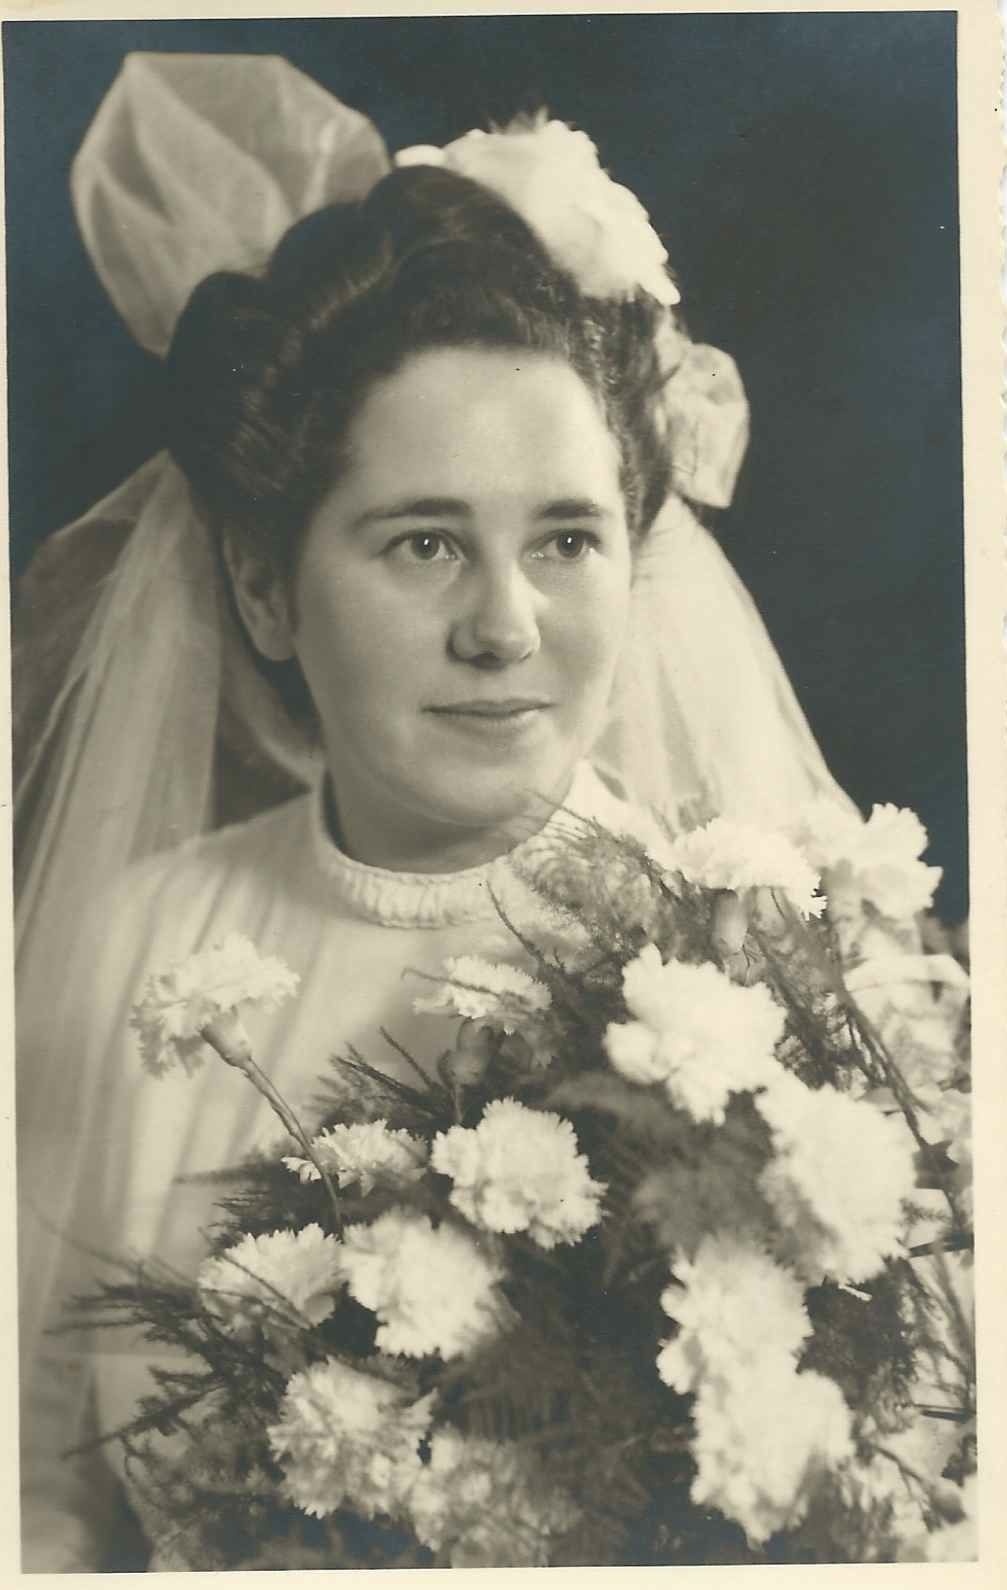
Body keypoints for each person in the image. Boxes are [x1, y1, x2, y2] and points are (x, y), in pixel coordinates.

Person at [14, 55, 860, 1571]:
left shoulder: (746, 983)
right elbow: (40, 1495)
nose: (506, 628)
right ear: (265, 589)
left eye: (567, 540)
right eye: (424, 543)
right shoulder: (125, 942)